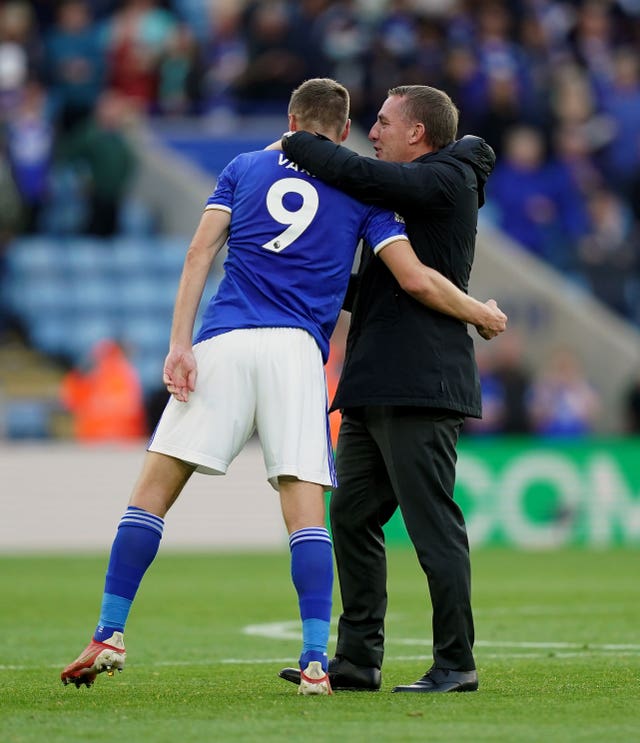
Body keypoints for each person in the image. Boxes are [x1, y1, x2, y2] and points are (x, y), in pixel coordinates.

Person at [60, 78, 506, 696]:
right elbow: (409, 277)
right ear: (344, 130)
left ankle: (109, 631)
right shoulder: (362, 193)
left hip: (231, 340)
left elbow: (197, 255)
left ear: (294, 120)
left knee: (150, 498)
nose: (374, 134)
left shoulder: (246, 166)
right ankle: (328, 661)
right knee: (320, 517)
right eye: (366, 124)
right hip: (302, 355)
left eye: (387, 123)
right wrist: (479, 311)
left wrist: (178, 345)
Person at [277, 84, 503, 693]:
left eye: (381, 121)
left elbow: (357, 174)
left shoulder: (447, 181)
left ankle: (457, 663)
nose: (371, 132)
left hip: (422, 382)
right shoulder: (414, 196)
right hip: (374, 382)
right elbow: (382, 289)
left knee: (433, 528)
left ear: (417, 134)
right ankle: (357, 661)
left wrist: (298, 140)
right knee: (350, 518)